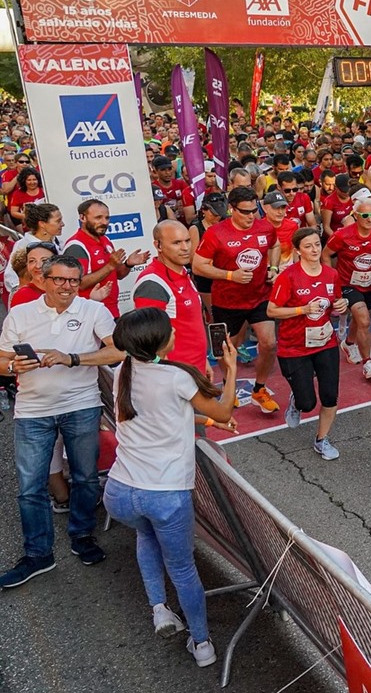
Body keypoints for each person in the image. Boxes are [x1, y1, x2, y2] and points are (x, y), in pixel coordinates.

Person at [102, 308, 239, 668]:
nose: (174, 331)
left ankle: (160, 610)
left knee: (145, 538)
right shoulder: (177, 377)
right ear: (159, 342)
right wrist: (231, 368)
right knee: (182, 568)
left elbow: (162, 411)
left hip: (120, 490)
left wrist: (205, 419)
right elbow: (226, 410)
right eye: (169, 329)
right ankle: (203, 643)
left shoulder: (123, 373)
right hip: (164, 494)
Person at [0, 255, 123, 589]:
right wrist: (14, 368)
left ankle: (82, 535)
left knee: (84, 478)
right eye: (59, 280)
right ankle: (38, 555)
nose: (66, 286)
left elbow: (118, 351)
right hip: (32, 411)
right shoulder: (21, 313)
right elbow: (1, 360)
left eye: (72, 280)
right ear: (44, 279)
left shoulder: (93, 311)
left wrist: (73, 358)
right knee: (29, 488)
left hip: (81, 407)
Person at [192, 185, 281, 414]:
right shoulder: (216, 233)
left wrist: (273, 267)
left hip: (259, 296)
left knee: (269, 343)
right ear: (232, 209)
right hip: (226, 302)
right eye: (245, 212)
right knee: (224, 350)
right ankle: (228, 384)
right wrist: (230, 275)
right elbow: (198, 266)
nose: (251, 216)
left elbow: (275, 245)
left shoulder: (264, 227)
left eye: (254, 211)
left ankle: (259, 390)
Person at [270, 228, 349, 458]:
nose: (314, 250)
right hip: (294, 346)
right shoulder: (288, 277)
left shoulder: (331, 274)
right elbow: (272, 310)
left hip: (325, 343)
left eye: (317, 244)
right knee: (307, 403)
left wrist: (340, 306)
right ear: (297, 250)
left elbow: (334, 304)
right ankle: (297, 399)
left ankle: (322, 440)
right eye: (308, 246)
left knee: (330, 395)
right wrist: (301, 309)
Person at [323, 197, 371, 381]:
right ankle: (368, 363)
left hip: (369, 284)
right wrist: (332, 279)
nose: (370, 219)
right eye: (365, 215)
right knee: (364, 319)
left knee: (360, 320)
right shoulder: (343, 235)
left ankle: (348, 343)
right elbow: (326, 254)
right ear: (355, 215)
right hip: (347, 284)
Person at [132, 221, 208, 372]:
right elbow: (152, 343)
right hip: (176, 375)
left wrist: (203, 361)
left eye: (187, 241)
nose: (185, 248)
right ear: (158, 245)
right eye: (176, 243)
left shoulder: (182, 272)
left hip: (195, 369)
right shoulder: (152, 284)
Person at [62, 200, 151, 319]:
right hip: (89, 315)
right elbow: (78, 284)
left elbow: (118, 274)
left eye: (107, 218)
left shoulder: (105, 240)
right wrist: (110, 266)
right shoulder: (76, 246)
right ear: (82, 218)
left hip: (111, 311)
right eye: (98, 218)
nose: (104, 222)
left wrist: (129, 264)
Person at [4, 202, 63, 294]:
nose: (62, 224)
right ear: (42, 224)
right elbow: (10, 277)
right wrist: (28, 294)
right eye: (58, 221)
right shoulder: (23, 246)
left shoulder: (58, 242)